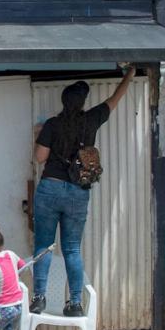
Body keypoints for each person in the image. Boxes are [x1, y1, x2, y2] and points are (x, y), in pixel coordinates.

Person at [31, 66, 135, 316]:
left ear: (63, 101)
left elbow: (39, 158)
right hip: (78, 192)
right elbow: (114, 99)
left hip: (50, 188)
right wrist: (129, 75)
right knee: (72, 249)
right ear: (83, 102)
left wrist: (39, 134)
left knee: (44, 246)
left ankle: (39, 298)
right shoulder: (91, 120)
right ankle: (75, 303)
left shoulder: (52, 125)